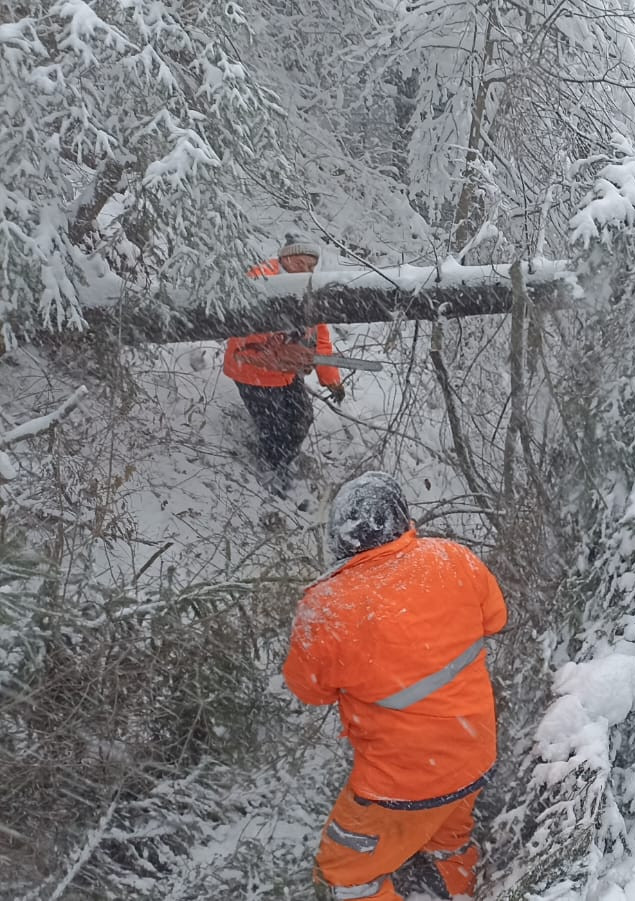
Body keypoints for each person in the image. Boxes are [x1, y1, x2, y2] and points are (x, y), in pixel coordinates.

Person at [283, 472, 506, 900]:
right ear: (401, 518)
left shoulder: (326, 606)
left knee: (344, 877)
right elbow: (495, 619)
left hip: (401, 783)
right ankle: (463, 891)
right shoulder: (453, 558)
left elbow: (308, 689)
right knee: (448, 842)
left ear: (340, 538)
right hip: (473, 752)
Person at [223, 234, 345, 490]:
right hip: (251, 371)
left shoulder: (308, 290)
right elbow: (243, 340)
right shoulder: (260, 282)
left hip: (287, 373)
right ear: (286, 259)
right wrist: (280, 350)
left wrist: (331, 378)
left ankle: (284, 461)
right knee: (275, 426)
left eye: (311, 266)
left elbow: (320, 337)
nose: (306, 271)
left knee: (301, 418)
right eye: (301, 264)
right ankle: (270, 469)